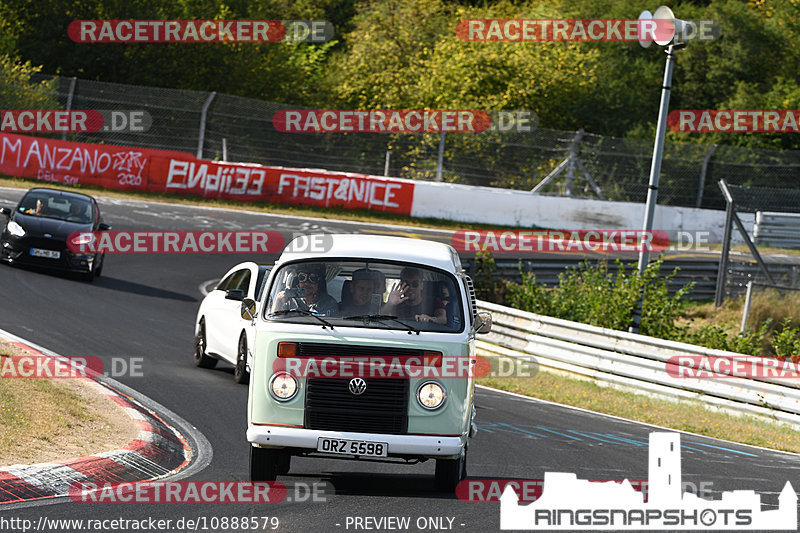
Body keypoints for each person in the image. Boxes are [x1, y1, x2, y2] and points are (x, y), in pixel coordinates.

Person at [274, 263, 339, 316]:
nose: (307, 283)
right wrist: (279, 302)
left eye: (313, 278)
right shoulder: (289, 301)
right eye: (302, 277)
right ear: (298, 281)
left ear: (319, 282)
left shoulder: (329, 303)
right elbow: (276, 319)